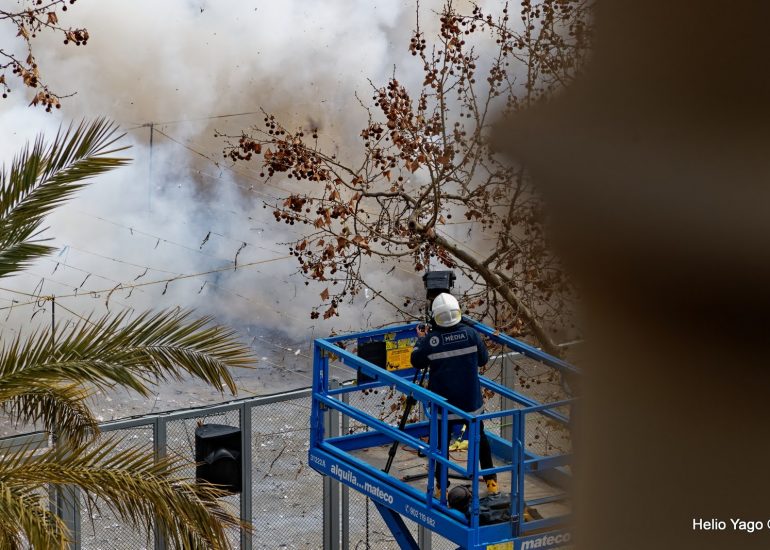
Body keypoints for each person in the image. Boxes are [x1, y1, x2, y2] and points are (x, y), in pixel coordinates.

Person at [410, 293, 499, 497]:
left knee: (441, 445)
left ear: (435, 317)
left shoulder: (432, 340)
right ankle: (492, 481)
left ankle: (441, 487)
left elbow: (416, 361)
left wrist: (420, 340)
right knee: (480, 439)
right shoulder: (471, 334)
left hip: (444, 406)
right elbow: (483, 359)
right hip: (471, 404)